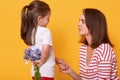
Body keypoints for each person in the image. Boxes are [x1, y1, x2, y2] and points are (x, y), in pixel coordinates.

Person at [56, 8, 119, 80]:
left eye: (83, 21)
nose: (78, 24)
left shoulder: (104, 49)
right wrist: (69, 71)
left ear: (94, 24)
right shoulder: (83, 49)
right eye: (79, 20)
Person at [21, 0, 55, 80]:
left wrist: (54, 59)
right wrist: (42, 62)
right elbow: (45, 48)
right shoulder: (46, 31)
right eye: (48, 18)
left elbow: (37, 49)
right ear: (39, 19)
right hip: (46, 71)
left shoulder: (30, 32)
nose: (49, 20)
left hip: (35, 71)